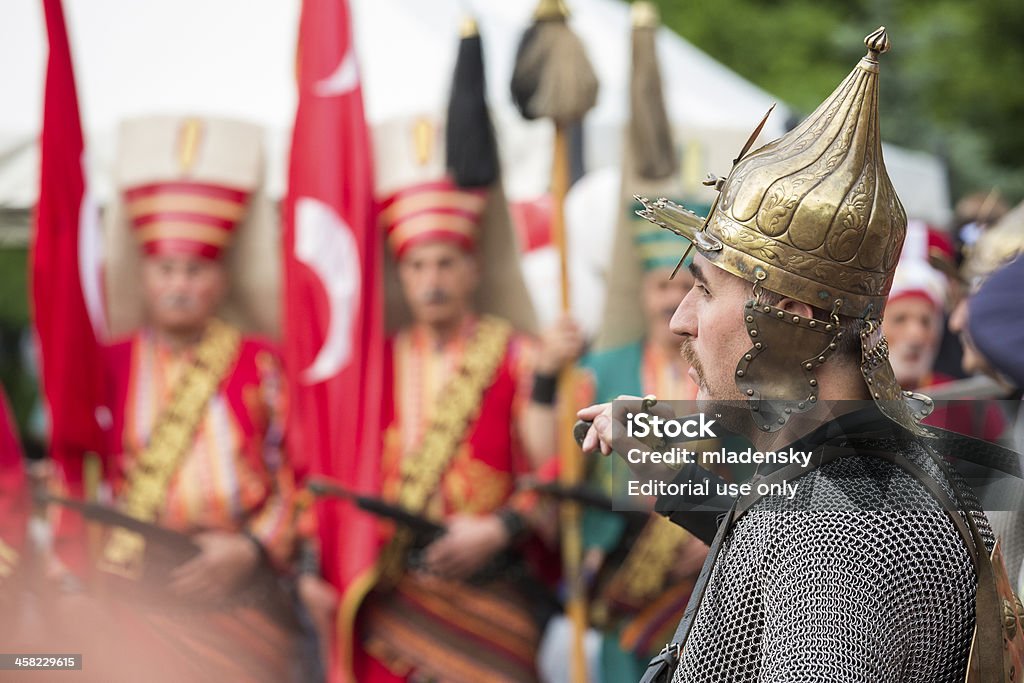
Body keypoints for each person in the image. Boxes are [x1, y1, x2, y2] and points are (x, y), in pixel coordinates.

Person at [580, 28, 1021, 682]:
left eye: (702, 290)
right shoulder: (872, 475)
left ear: (791, 316)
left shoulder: (836, 529)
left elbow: (816, 555)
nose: (680, 320)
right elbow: (775, 556)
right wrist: (660, 445)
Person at [48, 116, 300, 682]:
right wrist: (69, 580)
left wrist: (254, 549)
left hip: (243, 593)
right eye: (167, 270)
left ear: (223, 280)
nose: (180, 284)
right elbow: (76, 468)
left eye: (196, 269)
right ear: (145, 278)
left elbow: (300, 473)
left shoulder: (263, 362)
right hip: (137, 588)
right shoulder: (106, 364)